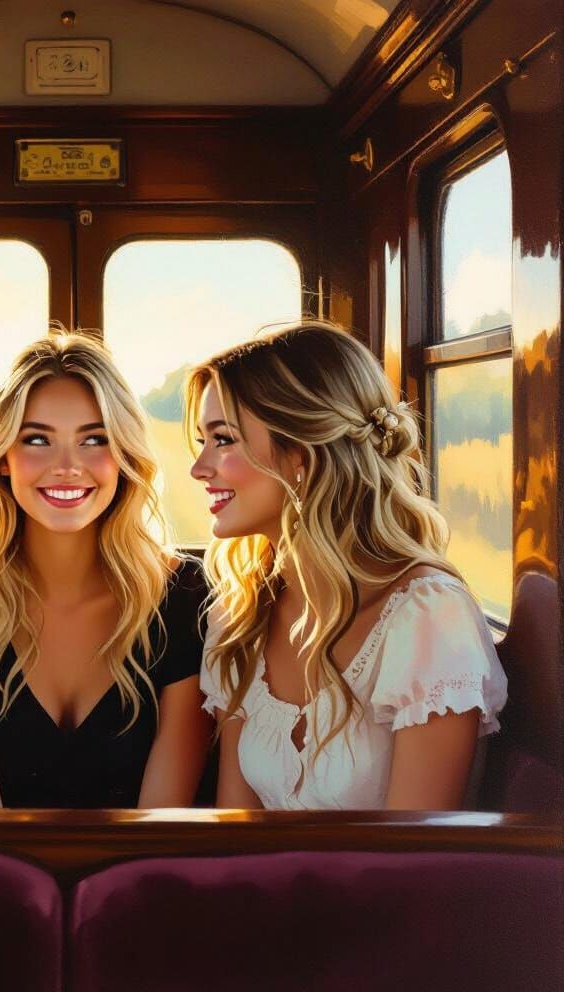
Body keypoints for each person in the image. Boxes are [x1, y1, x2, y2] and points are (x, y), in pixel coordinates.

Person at [187, 322, 507, 810]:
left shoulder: (426, 617)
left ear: (302, 454)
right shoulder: (240, 616)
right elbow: (238, 838)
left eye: (223, 439)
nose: (198, 467)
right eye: (202, 441)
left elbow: (419, 861)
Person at [0, 331, 211, 808]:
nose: (67, 466)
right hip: (2, 875)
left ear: (125, 457)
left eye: (94, 439)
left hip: (146, 874)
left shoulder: (183, 595)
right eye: (37, 440)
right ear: (3, 458)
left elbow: (163, 821)